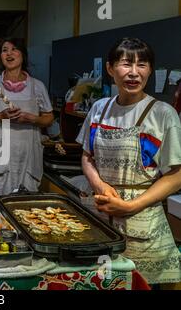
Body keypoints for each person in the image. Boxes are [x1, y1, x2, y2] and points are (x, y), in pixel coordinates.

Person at [76, 37, 181, 284]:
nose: (134, 73)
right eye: (126, 64)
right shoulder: (99, 108)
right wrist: (100, 186)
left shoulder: (163, 114)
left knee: (139, 284)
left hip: (143, 225)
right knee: (97, 282)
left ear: (150, 70)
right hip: (99, 217)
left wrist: (131, 206)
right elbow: (86, 156)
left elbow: (176, 175)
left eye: (142, 65)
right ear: (111, 69)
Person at [0, 38, 54, 196]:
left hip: (28, 156)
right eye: (4, 50)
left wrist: (31, 119)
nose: (9, 53)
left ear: (23, 55)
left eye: (14, 49)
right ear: (0, 57)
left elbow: (49, 117)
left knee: (25, 207)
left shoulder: (37, 86)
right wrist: (1, 116)